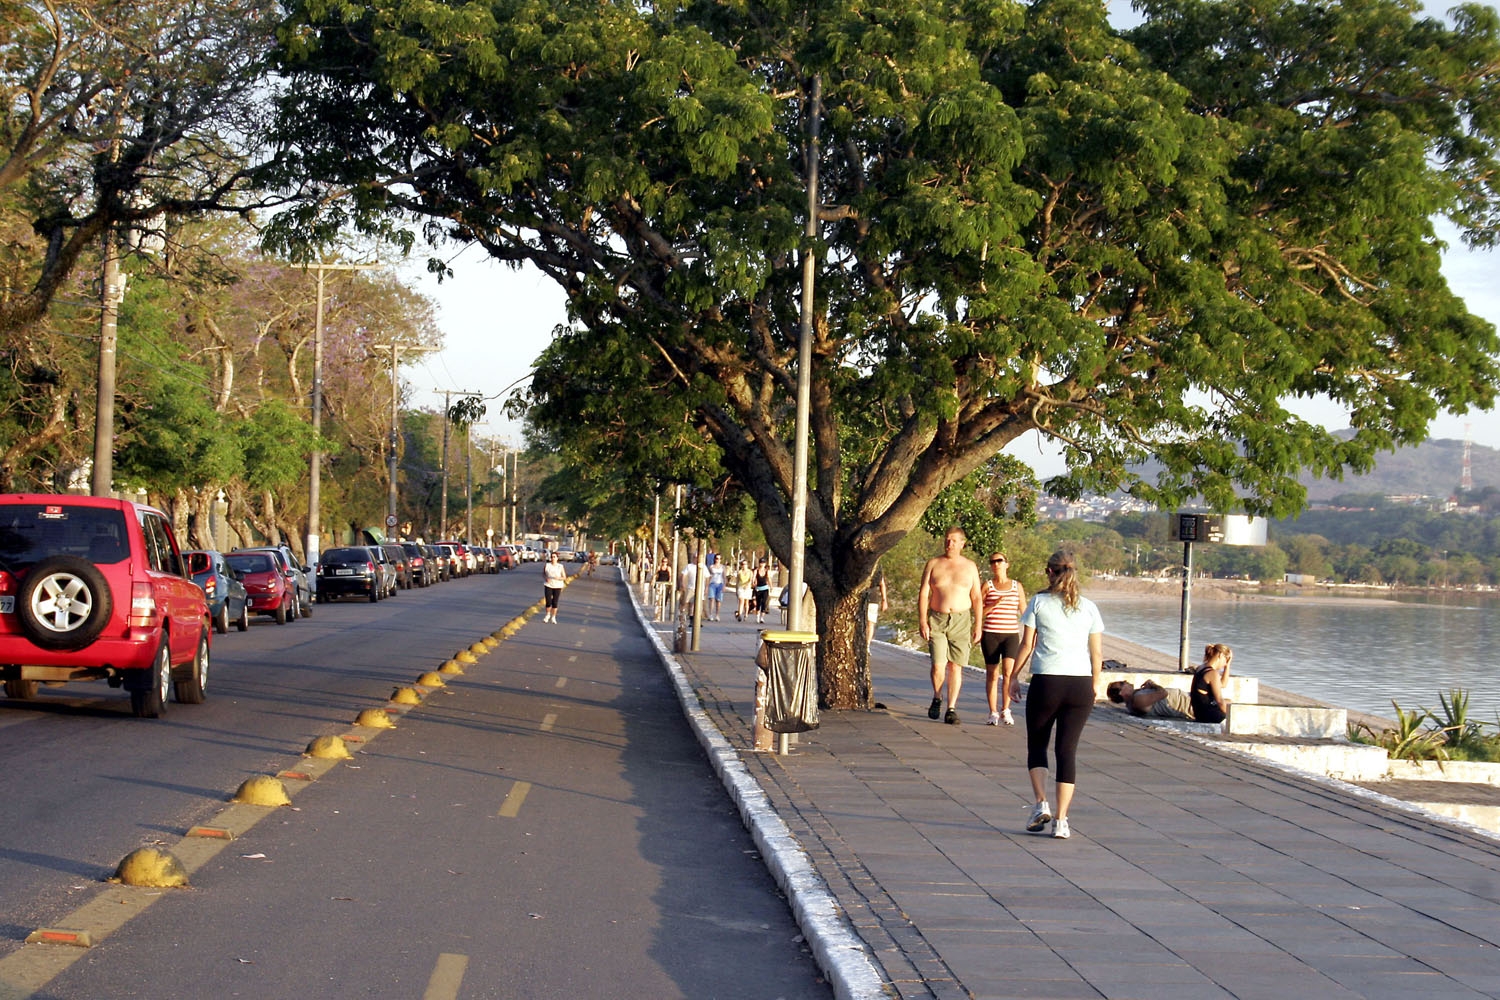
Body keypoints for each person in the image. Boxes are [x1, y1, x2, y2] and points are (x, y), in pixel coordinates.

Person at [1014, 550, 1103, 840]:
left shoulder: (1039, 602)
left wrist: (1012, 677)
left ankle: (1041, 803)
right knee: (1067, 751)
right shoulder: (1088, 607)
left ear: (1050, 572)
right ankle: (1062, 822)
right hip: (1080, 685)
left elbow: (1027, 645)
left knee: (1038, 744)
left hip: (1047, 682)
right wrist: (1095, 684)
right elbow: (1097, 653)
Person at [917, 526, 983, 725]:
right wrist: (922, 620)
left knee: (956, 666)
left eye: (954, 540)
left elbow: (977, 597)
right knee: (938, 665)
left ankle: (951, 708)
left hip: (961, 621)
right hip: (938, 619)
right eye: (947, 539)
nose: (949, 543)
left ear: (962, 543)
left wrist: (978, 624)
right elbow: (923, 593)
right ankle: (937, 696)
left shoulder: (970, 566)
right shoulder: (934, 564)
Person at [980, 551, 1026, 726]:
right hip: (990, 634)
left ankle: (1006, 710)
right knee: (992, 674)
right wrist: (992, 605)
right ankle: (993, 712)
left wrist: (1035, 628)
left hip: (1010, 635)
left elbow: (1024, 610)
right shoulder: (988, 586)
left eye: (1000, 561)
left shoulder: (1016, 586)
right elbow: (979, 612)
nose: (996, 564)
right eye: (993, 561)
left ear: (1007, 564)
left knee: (1009, 673)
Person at [1190, 643, 1233, 724]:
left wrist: (1227, 666)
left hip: (1199, 712)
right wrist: (1231, 717)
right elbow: (1219, 701)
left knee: (1229, 702)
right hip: (1208, 715)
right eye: (1225, 660)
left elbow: (1223, 684)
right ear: (1220, 655)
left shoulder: (1202, 668)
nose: (1225, 663)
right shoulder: (1212, 673)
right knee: (1229, 706)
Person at [864, 564, 888, 655]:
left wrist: (884, 600)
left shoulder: (877, 568)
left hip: (872, 599)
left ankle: (867, 646)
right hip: (860, 599)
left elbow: (882, 584)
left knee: (870, 623)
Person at [542, 551, 567, 623]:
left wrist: (558, 578)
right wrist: (546, 578)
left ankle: (553, 617)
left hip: (557, 586)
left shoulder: (560, 566)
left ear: (557, 558)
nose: (553, 558)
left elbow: (564, 577)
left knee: (555, 602)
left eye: (554, 557)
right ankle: (547, 615)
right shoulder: (547, 565)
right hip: (548, 585)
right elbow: (543, 574)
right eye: (552, 557)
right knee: (548, 601)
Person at [707, 554, 726, 621]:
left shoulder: (722, 567)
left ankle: (717, 615)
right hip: (712, 584)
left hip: (720, 584)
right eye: (717, 558)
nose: (718, 560)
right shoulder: (711, 567)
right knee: (711, 599)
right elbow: (708, 576)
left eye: (719, 558)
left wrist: (724, 585)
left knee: (718, 600)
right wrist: (706, 585)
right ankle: (710, 614)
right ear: (714, 559)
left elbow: (724, 577)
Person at [653, 557, 672, 622]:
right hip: (659, 584)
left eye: (666, 561)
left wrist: (670, 582)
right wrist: (653, 581)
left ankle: (662, 609)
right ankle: (658, 613)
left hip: (665, 585)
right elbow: (656, 575)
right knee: (658, 599)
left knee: (665, 599)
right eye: (663, 561)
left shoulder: (668, 568)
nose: (664, 563)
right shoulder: (659, 567)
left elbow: (670, 576)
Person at [753, 560, 771, 624]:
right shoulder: (756, 571)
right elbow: (754, 578)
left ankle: (762, 618)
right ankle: (757, 616)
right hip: (758, 588)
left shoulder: (766, 571)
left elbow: (769, 579)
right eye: (761, 563)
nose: (762, 564)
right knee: (758, 603)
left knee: (764, 603)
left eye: (763, 563)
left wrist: (771, 586)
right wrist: (753, 583)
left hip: (765, 588)